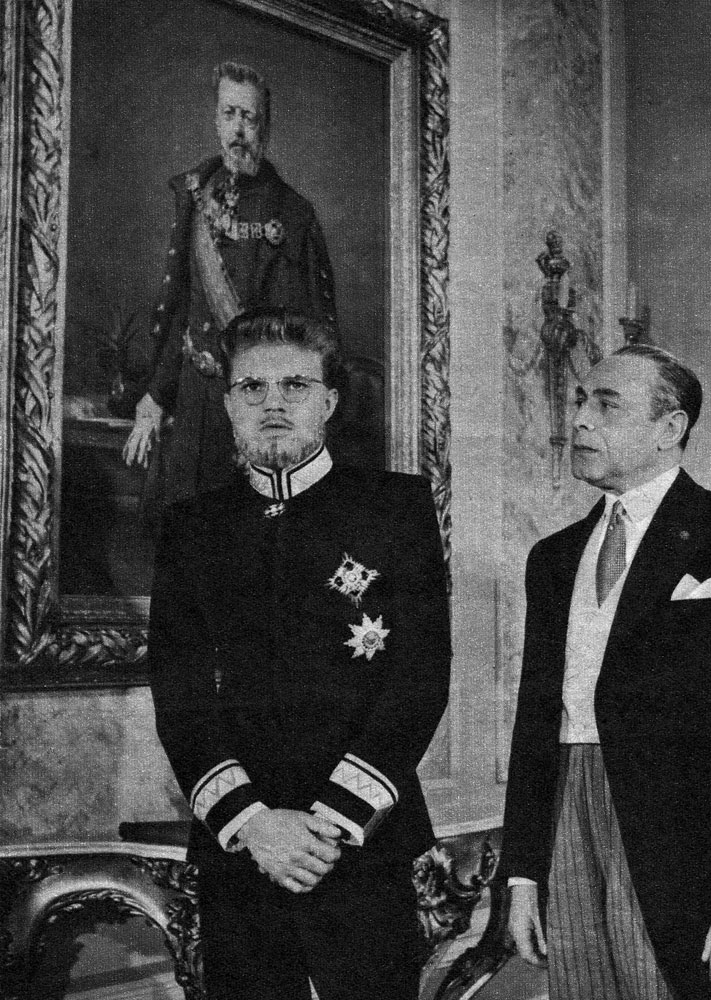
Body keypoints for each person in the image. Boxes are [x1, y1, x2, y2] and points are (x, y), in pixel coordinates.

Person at [148, 309, 451, 1000]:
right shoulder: (193, 528)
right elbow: (179, 693)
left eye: (295, 385)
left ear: (329, 402)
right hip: (242, 848)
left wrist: (329, 825)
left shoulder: (395, 508)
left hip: (361, 841)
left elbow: (419, 680)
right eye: (252, 387)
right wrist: (254, 824)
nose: (274, 403)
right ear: (229, 404)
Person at [501, 343, 711, 1000]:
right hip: (567, 811)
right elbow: (535, 719)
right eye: (580, 401)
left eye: (606, 405)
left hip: (686, 846)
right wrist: (522, 876)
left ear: (670, 428)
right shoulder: (553, 558)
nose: (580, 419)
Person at [123, 61, 337, 504]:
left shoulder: (294, 215)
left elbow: (311, 341)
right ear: (217, 120)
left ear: (265, 127)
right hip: (192, 401)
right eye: (229, 114)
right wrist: (155, 398)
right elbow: (182, 310)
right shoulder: (195, 197)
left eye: (249, 117)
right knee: (180, 522)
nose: (238, 129)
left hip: (257, 410)